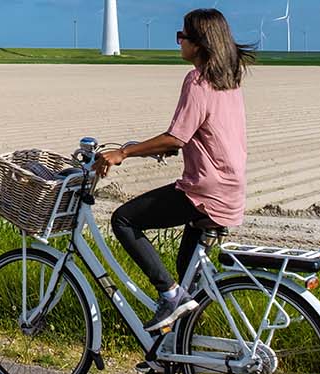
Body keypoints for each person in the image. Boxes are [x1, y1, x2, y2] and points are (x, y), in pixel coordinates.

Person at [94, 8, 255, 333]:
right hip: (230, 189)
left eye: (182, 35)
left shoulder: (197, 80)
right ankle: (176, 357)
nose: (178, 41)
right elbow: (188, 135)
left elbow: (176, 137)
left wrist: (124, 152)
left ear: (199, 43)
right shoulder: (229, 77)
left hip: (204, 190)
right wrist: (154, 148)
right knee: (188, 275)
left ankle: (167, 295)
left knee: (123, 220)